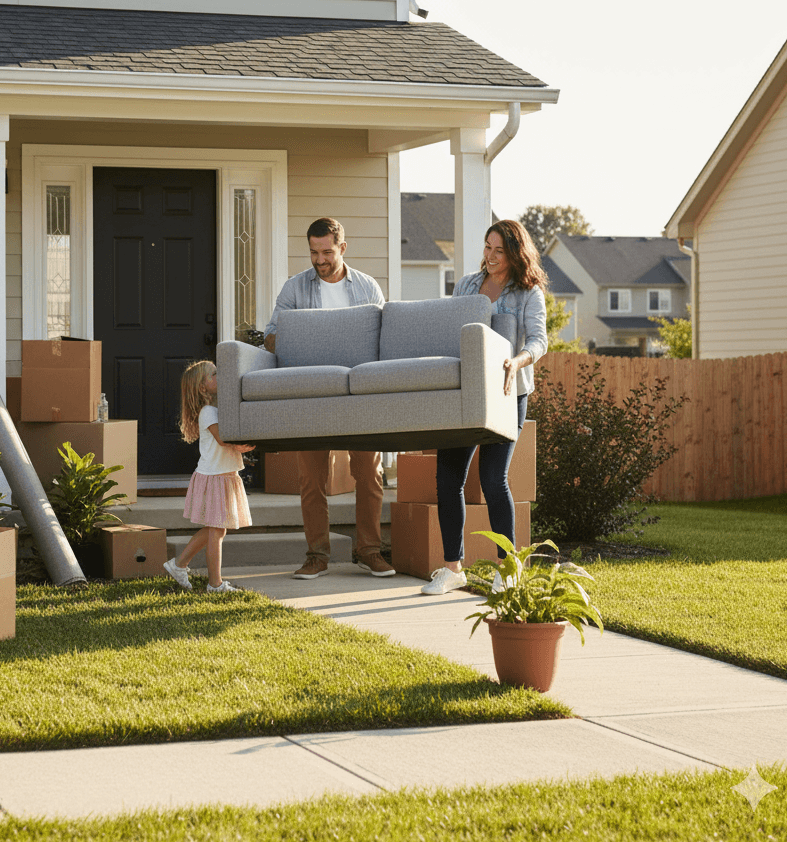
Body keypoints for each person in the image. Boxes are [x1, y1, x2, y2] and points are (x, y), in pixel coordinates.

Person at [421, 219, 548, 595]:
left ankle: (507, 570)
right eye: (487, 248)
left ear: (514, 253)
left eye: (499, 251)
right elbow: (449, 331)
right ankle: (452, 568)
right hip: (466, 393)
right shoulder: (466, 286)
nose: (490, 257)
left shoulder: (528, 292)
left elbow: (539, 341)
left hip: (508, 394)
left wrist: (517, 360)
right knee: (448, 479)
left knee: (493, 479)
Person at [264, 217, 395, 580]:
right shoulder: (294, 288)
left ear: (342, 248)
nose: (319, 260)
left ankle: (369, 550)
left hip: (359, 392)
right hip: (313, 391)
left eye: (326, 252)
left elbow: (384, 341)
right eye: (313, 252)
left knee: (369, 473)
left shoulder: (368, 288)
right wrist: (299, 334)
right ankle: (317, 554)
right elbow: (271, 337)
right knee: (311, 477)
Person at [163, 360, 255, 593]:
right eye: (214, 374)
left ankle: (179, 564)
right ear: (203, 388)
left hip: (222, 475)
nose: (220, 376)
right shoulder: (208, 412)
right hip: (214, 476)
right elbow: (223, 439)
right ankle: (215, 584)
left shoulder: (217, 409)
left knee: (217, 529)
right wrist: (243, 445)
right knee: (216, 530)